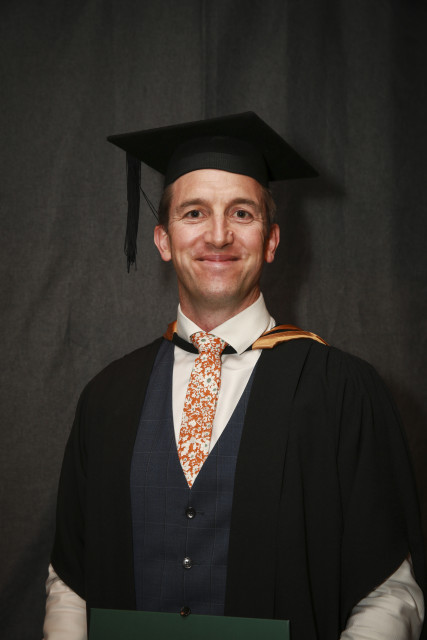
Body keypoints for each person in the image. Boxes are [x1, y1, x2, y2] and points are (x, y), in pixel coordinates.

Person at [44, 113, 426, 640]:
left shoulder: (342, 391)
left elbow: (387, 589)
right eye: (194, 213)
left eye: (242, 213)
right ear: (163, 239)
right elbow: (70, 583)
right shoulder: (107, 397)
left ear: (270, 240)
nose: (218, 235)